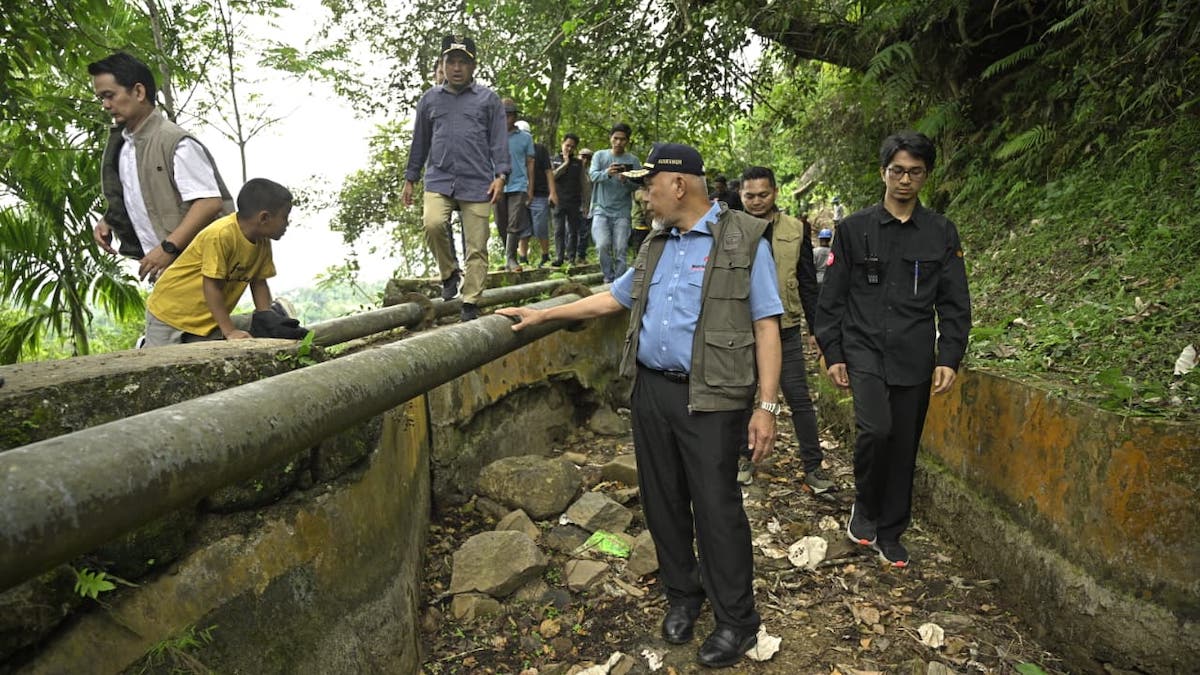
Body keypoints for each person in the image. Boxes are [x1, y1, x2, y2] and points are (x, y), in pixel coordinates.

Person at [499, 143, 782, 668]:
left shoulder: (744, 239)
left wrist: (766, 405)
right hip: (652, 390)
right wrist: (543, 314)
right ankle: (684, 595)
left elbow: (767, 324)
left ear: (678, 185)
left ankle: (738, 622)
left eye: (649, 186)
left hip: (713, 398)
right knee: (662, 500)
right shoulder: (657, 242)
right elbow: (614, 297)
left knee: (716, 509)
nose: (645, 198)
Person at [814, 131, 972, 567]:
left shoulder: (940, 231)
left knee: (904, 445)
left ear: (925, 176)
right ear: (884, 173)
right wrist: (834, 352)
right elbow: (833, 299)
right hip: (864, 348)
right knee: (876, 430)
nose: (905, 180)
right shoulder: (853, 230)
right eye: (897, 171)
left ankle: (891, 529)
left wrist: (949, 357)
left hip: (914, 355)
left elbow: (956, 302)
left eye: (915, 172)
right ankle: (865, 505)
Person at [88, 52, 234, 286]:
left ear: (138, 92)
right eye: (101, 98)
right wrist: (110, 221)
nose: (105, 105)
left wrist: (168, 248)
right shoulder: (124, 147)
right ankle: (268, 318)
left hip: (199, 264)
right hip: (166, 269)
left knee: (163, 324)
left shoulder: (174, 141)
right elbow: (142, 198)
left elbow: (209, 202)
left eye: (110, 96)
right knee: (192, 324)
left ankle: (266, 320)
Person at [403, 35, 509, 322]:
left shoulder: (488, 100)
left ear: (473, 66)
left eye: (464, 62)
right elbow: (420, 141)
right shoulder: (430, 100)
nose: (457, 68)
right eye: (451, 62)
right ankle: (449, 273)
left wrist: (501, 175)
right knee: (433, 223)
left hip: (478, 181)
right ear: (443, 65)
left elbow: (499, 141)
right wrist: (411, 178)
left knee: (477, 245)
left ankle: (471, 302)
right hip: (439, 177)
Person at [739, 167, 831, 493]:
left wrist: (818, 330)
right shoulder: (729, 229)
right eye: (749, 195)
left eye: (763, 194)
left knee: (799, 399)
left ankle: (813, 466)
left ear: (775, 193)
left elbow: (807, 283)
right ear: (740, 195)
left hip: (785, 328)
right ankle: (743, 459)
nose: (756, 201)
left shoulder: (795, 229)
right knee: (741, 397)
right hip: (742, 329)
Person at [143, 178, 295, 346]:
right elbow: (211, 286)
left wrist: (267, 319)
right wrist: (230, 332)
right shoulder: (221, 235)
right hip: (170, 313)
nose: (287, 224)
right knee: (166, 363)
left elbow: (259, 282)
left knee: (201, 355)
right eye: (284, 217)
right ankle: (145, 344)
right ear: (264, 217)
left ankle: (274, 313)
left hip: (206, 318)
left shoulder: (262, 241)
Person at [588, 123, 640, 282]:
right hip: (601, 209)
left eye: (622, 139)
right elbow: (592, 176)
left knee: (621, 248)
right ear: (610, 138)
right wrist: (607, 173)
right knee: (602, 245)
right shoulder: (600, 156)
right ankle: (608, 277)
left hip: (622, 211)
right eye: (615, 138)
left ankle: (619, 281)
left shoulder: (633, 160)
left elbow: (639, 184)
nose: (618, 142)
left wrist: (626, 181)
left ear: (627, 141)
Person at [497, 100, 535, 272]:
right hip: (497, 185)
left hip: (518, 184)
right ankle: (507, 256)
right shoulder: (492, 135)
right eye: (503, 115)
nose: (506, 118)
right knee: (500, 222)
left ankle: (512, 258)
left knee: (514, 222)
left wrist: (530, 187)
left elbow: (530, 163)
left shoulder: (525, 138)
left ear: (514, 116)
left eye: (509, 115)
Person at [517, 120, 559, 267]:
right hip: (520, 194)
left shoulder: (540, 150)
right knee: (523, 229)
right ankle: (522, 259)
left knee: (541, 227)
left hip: (540, 195)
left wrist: (552, 192)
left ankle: (545, 256)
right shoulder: (515, 149)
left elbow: (549, 172)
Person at [551, 133, 588, 266]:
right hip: (558, 200)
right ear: (562, 144)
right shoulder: (554, 160)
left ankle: (571, 257)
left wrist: (586, 204)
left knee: (573, 231)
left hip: (574, 201)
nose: (569, 149)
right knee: (558, 230)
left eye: (572, 147)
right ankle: (559, 257)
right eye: (567, 145)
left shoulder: (579, 163)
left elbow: (584, 184)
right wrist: (565, 163)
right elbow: (552, 177)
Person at [578, 147, 595, 262]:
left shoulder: (591, 173)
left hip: (589, 207)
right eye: (583, 157)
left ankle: (581, 256)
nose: (585, 160)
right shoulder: (573, 170)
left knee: (584, 233)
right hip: (574, 206)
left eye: (588, 158)